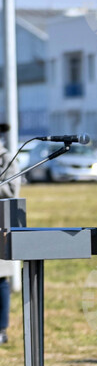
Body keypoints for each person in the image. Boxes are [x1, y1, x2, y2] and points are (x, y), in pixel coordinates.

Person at [0, 125, 16, 346]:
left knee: (0, 280)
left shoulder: (6, 159)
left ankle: (1, 328)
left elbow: (12, 190)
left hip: (0, 223)